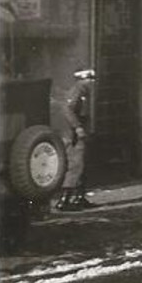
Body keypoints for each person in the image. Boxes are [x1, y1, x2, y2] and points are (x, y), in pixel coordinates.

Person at [53, 68, 95, 211]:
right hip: (74, 136)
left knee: (82, 165)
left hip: (80, 133)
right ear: (82, 79)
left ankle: (79, 197)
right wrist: (77, 127)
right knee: (75, 165)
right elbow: (67, 110)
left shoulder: (84, 92)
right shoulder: (78, 90)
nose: (91, 82)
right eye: (89, 79)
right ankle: (64, 200)